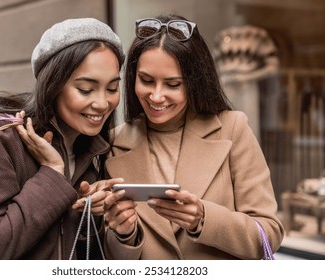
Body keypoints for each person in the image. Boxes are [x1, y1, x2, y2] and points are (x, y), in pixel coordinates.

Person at [103, 14, 284, 260]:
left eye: (173, 84)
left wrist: (204, 218)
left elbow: (269, 235)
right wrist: (125, 236)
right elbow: (107, 258)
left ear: (194, 82)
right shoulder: (112, 143)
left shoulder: (233, 128)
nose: (156, 96)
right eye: (146, 80)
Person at [0, 18, 125, 259]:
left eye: (112, 88)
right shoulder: (1, 140)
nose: (102, 103)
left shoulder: (92, 148)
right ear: (53, 84)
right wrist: (52, 173)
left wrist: (90, 208)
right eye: (86, 89)